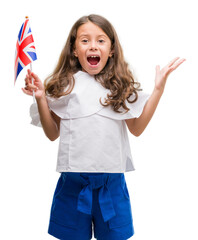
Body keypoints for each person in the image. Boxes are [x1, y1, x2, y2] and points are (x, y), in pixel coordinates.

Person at [22, 14, 185, 240]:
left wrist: (158, 90)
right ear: (74, 49)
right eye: (85, 40)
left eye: (100, 40)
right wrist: (41, 98)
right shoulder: (65, 86)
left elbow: (137, 129)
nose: (93, 46)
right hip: (73, 185)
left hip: (112, 186)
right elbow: (52, 134)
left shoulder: (120, 87)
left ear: (111, 50)